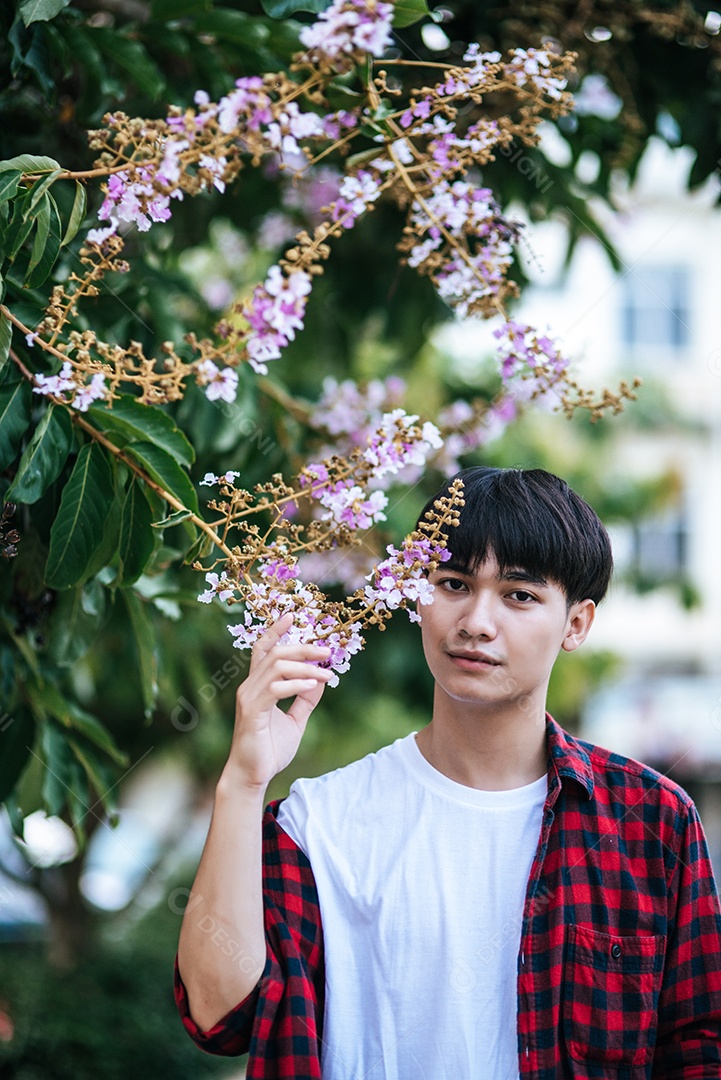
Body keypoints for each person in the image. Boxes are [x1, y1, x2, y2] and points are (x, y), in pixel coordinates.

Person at [175, 466, 721, 1079]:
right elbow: (220, 1016)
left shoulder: (650, 822)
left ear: (576, 624)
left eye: (520, 595)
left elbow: (697, 1049)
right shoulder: (318, 823)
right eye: (454, 583)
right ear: (416, 595)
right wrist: (244, 783)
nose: (477, 622)